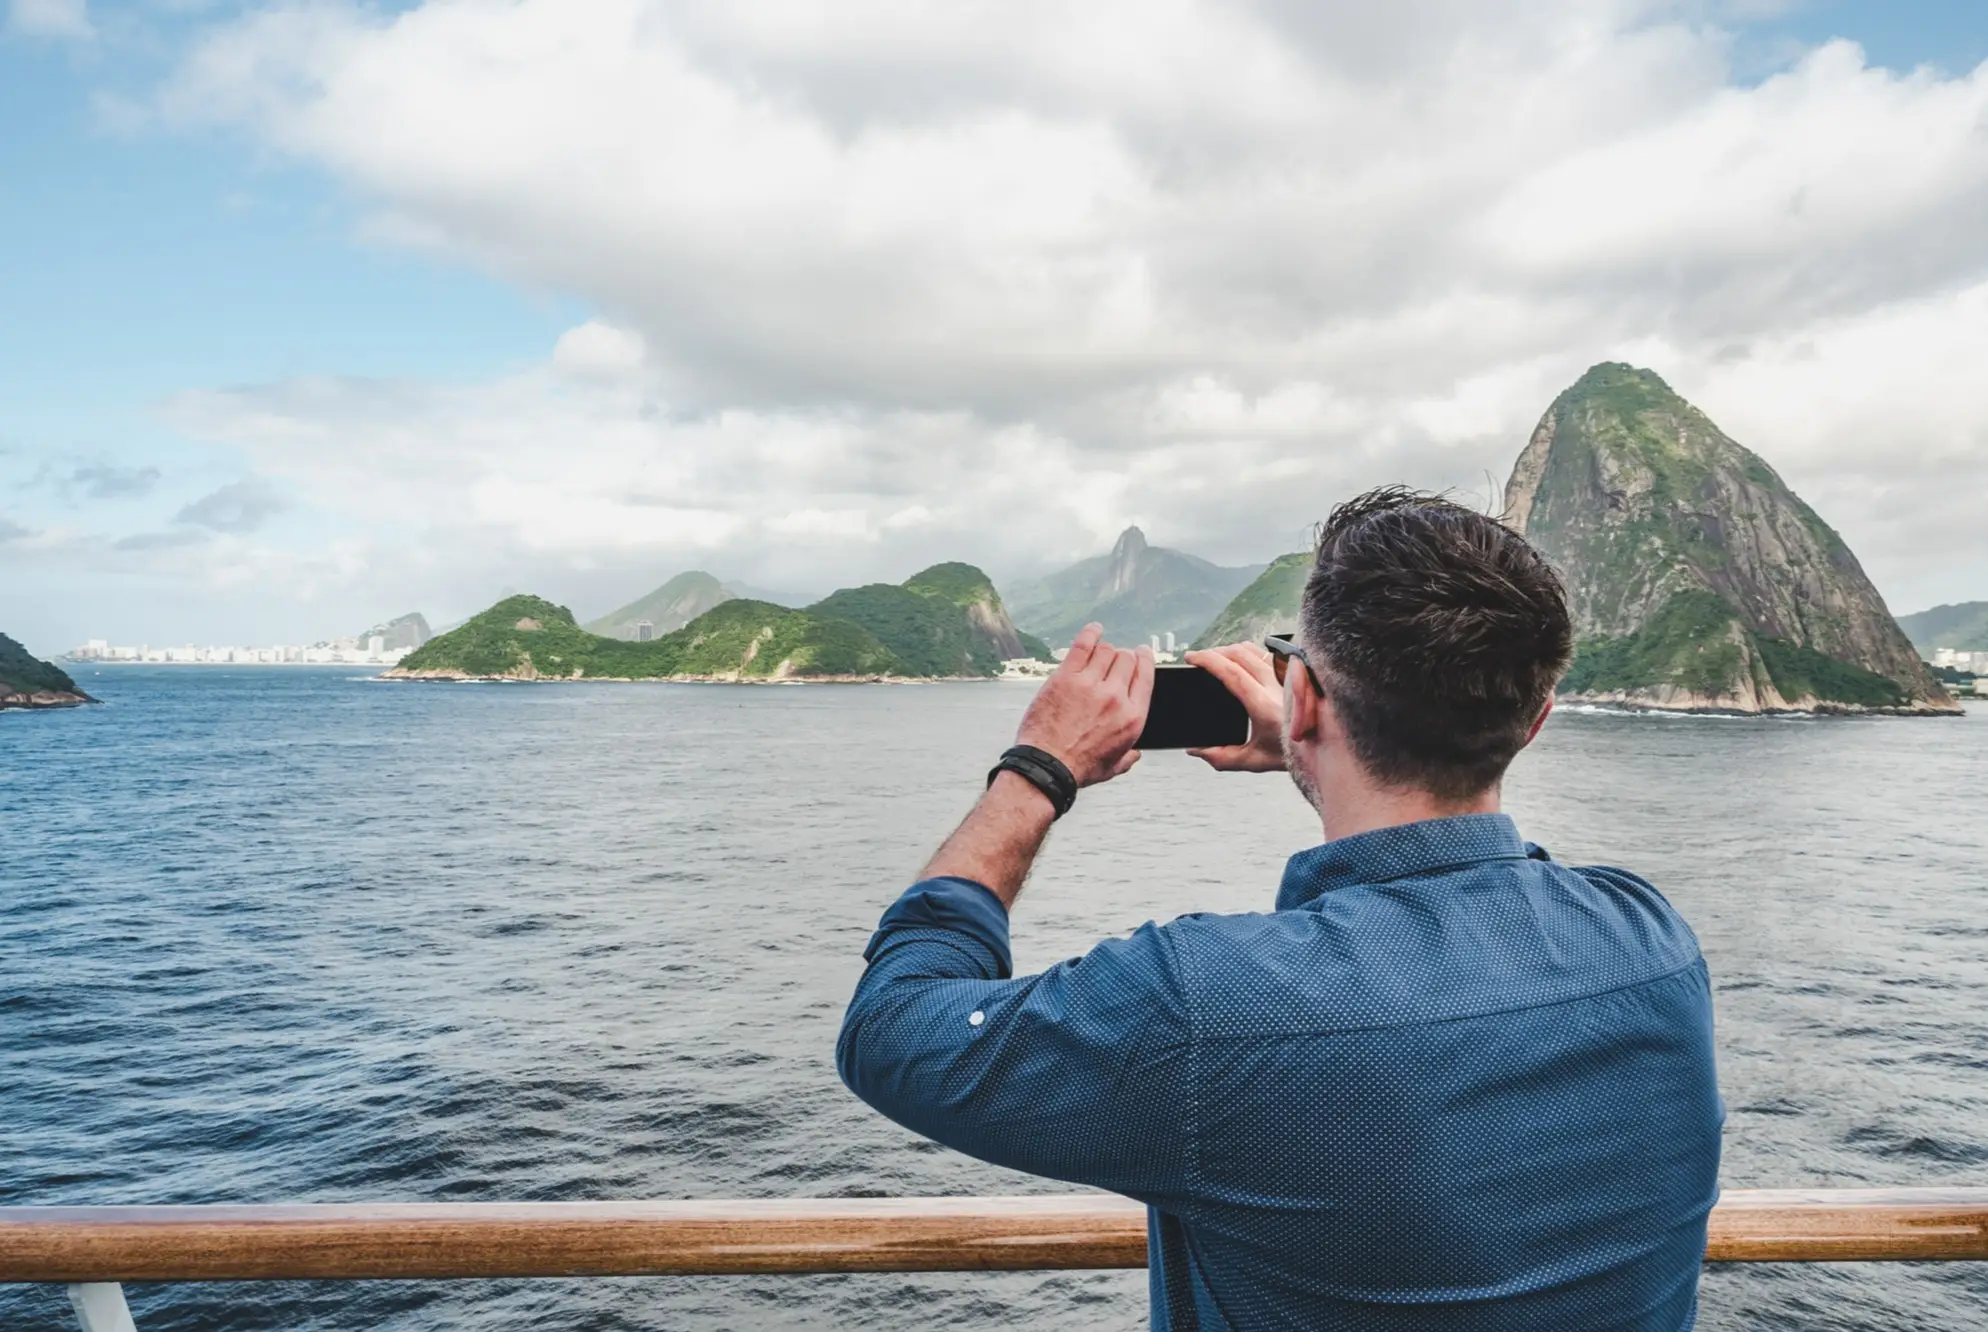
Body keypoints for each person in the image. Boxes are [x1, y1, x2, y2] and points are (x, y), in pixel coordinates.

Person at [836, 487, 1722, 1330]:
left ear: (1302, 697)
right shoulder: (1651, 943)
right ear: (1535, 720)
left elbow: (893, 1028)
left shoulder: (1207, 1008)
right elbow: (1469, 893)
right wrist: (1322, 753)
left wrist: (1037, 768)